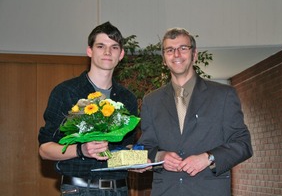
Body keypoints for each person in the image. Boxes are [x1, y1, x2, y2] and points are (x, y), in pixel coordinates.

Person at [137, 27, 253, 196]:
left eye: (183, 48)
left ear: (194, 54)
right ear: (164, 58)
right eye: (170, 50)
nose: (176, 54)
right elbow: (145, 147)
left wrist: (208, 158)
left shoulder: (224, 95)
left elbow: (243, 144)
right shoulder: (151, 101)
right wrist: (160, 157)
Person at [38, 21, 138, 196]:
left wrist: (137, 161)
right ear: (89, 51)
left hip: (119, 189)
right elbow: (45, 149)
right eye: (101, 46)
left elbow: (126, 147)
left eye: (114, 47)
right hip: (79, 189)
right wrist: (81, 150)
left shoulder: (127, 98)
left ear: (121, 54)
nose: (108, 52)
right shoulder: (66, 92)